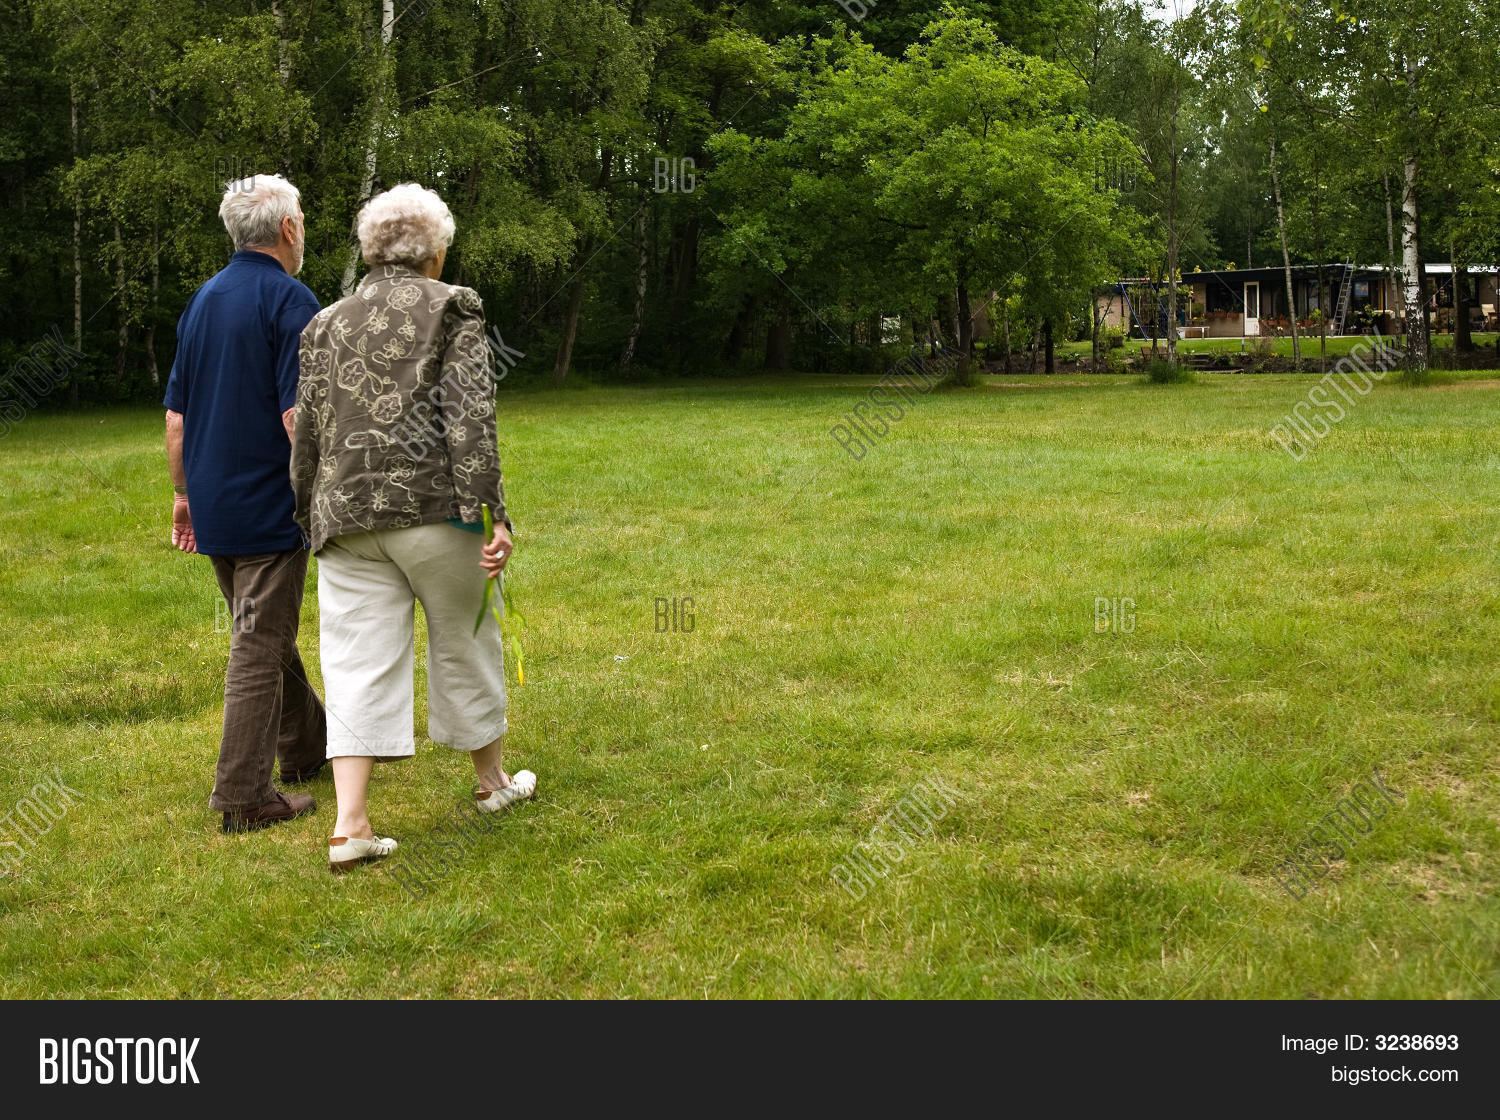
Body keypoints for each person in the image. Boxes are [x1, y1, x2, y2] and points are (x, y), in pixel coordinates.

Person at [291, 182, 534, 873]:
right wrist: (493, 515)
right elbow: (470, 420)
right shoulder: (454, 306)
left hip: (343, 516)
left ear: (372, 250)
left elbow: (306, 431)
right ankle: (491, 783)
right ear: (435, 251)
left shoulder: (324, 323)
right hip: (435, 510)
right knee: (466, 637)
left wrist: (306, 508)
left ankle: (350, 826)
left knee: (355, 663)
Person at [164, 173, 327, 833]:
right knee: (259, 642)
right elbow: (300, 418)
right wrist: (326, 495)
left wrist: (182, 496)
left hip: (213, 502)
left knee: (266, 633)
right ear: (288, 229)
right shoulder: (290, 300)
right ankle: (243, 798)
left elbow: (176, 417)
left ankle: (306, 748)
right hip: (269, 506)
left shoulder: (201, 301)